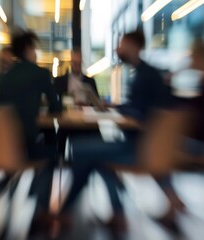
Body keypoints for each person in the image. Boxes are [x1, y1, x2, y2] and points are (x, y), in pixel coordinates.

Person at [58, 30, 175, 231]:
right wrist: (118, 107)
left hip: (138, 147)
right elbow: (141, 108)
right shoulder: (147, 73)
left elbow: (140, 114)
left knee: (81, 150)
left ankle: (66, 212)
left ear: (133, 46)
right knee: (95, 157)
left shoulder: (144, 76)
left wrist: (119, 108)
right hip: (143, 144)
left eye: (121, 45)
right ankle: (114, 214)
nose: (117, 49)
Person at [0, 30, 62, 212]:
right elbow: (56, 107)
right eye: (34, 48)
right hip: (27, 145)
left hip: (4, 145)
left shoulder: (4, 78)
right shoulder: (40, 73)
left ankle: (17, 187)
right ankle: (39, 206)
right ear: (27, 49)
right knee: (52, 154)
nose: (36, 52)